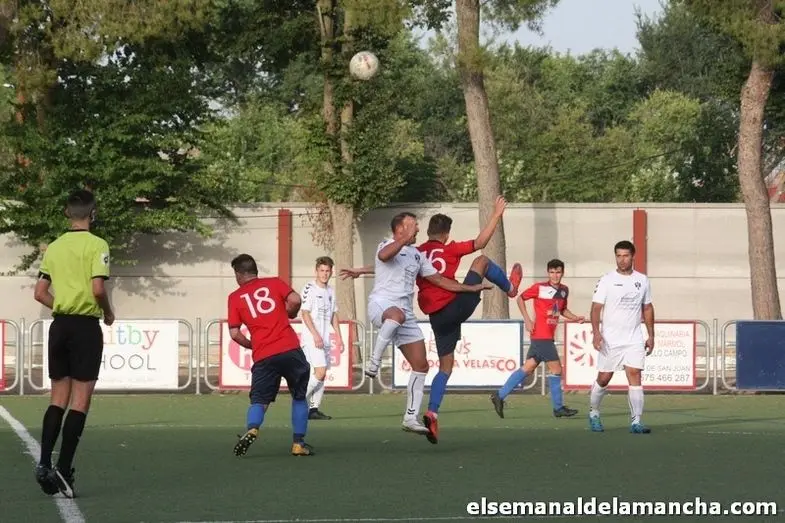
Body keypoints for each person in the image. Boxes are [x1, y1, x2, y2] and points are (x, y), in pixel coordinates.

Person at [340, 212, 491, 437]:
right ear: (400, 229)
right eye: (413, 225)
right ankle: (374, 360)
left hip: (405, 315)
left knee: (421, 366)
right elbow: (383, 257)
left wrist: (470, 288)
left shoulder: (417, 255)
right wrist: (363, 269)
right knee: (396, 315)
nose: (418, 229)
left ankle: (410, 417)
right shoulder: (387, 244)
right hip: (382, 306)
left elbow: (439, 280)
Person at [414, 196, 522, 442]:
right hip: (455, 305)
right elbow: (481, 242)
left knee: (445, 367)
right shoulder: (449, 249)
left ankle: (432, 412)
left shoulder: (417, 253)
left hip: (436, 317)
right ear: (446, 234)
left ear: (429, 232)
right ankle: (511, 289)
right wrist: (496, 214)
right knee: (481, 260)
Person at [33, 189, 115, 498]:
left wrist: (61, 305)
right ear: (93, 214)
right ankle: (64, 469)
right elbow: (97, 289)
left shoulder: (54, 247)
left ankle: (43, 463)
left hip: (60, 325)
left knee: (57, 398)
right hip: (84, 327)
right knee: (80, 400)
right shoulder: (98, 244)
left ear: (67, 213)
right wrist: (108, 312)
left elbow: (40, 292)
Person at [227, 254, 314, 457]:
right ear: (255, 271)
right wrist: (290, 313)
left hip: (264, 354)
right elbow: (295, 299)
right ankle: (298, 444)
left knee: (259, 400)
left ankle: (253, 428)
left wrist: (252, 345)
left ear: (239, 274)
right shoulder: (274, 283)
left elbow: (234, 333)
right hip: (289, 348)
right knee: (299, 397)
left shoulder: (235, 297)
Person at [491, 259, 582, 419]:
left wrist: (575, 318)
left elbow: (562, 310)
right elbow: (520, 298)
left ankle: (499, 395)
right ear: (548, 273)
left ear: (562, 273)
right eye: (552, 272)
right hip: (541, 336)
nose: (555, 275)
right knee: (557, 370)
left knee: (528, 368)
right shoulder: (540, 288)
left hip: (545, 337)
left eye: (558, 272)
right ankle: (558, 408)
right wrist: (527, 319)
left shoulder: (564, 290)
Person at [587, 240, 654, 434]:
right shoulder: (607, 280)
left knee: (635, 374)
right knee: (604, 378)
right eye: (618, 256)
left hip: (633, 338)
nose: (622, 260)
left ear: (633, 256)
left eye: (625, 256)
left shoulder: (642, 280)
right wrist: (596, 333)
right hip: (611, 340)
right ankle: (594, 412)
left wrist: (651, 335)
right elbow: (596, 308)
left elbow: (647, 308)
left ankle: (636, 422)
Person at [300, 256, 343, 420]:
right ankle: (299, 398)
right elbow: (305, 313)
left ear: (331, 272)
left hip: (325, 339)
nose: (324, 274)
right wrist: (315, 335)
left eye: (327, 271)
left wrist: (339, 337)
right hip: (312, 338)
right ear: (316, 271)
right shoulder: (309, 288)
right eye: (322, 270)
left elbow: (333, 315)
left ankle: (313, 409)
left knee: (322, 374)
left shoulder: (331, 291)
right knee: (320, 371)